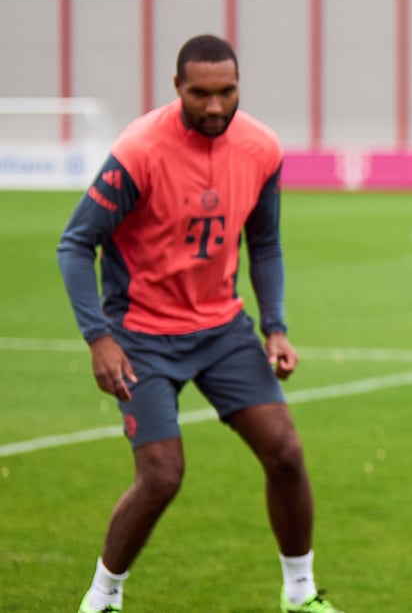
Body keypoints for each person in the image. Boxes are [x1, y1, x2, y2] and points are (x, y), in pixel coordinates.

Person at [58, 34, 342, 613]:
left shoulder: (261, 147)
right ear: (177, 88)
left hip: (222, 331)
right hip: (141, 336)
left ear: (239, 85)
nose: (214, 107)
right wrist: (99, 338)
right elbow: (75, 243)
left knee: (285, 452)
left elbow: (264, 244)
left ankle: (300, 596)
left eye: (227, 92)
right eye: (200, 94)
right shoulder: (140, 149)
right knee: (162, 475)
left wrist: (276, 327)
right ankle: (102, 598)